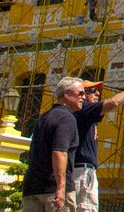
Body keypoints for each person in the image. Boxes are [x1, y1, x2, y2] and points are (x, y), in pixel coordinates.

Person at [72, 77, 124, 212]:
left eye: (98, 91)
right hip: (81, 173)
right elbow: (114, 102)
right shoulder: (83, 110)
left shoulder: (88, 116)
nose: (98, 94)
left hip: (83, 171)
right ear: (81, 95)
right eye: (92, 91)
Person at [22, 76, 84, 212]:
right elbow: (59, 152)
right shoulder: (67, 118)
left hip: (32, 188)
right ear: (67, 94)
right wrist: (61, 187)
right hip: (53, 190)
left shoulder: (44, 117)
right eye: (80, 93)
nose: (84, 97)